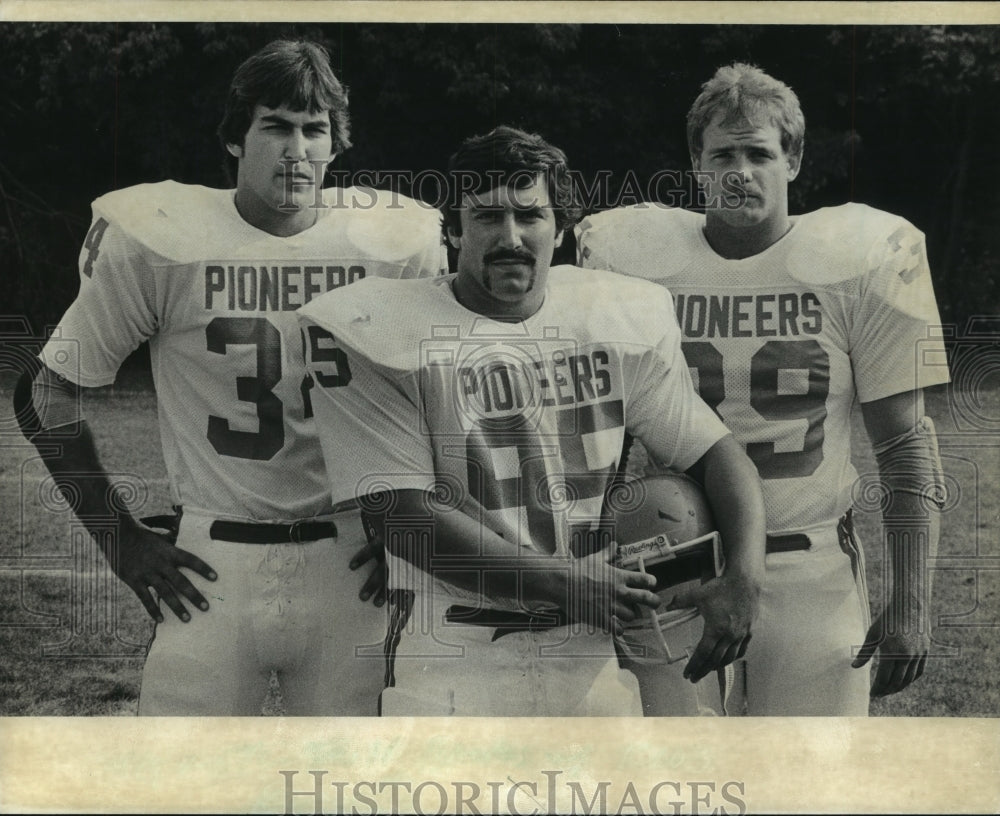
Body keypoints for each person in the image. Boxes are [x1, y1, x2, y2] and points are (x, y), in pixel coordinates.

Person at [14, 39, 445, 715]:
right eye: (275, 125)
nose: (296, 148)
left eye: (314, 129)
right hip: (211, 562)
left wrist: (418, 534)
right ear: (235, 141)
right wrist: (118, 537)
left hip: (349, 563)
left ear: (336, 147)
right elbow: (45, 389)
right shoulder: (164, 240)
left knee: (343, 785)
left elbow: (446, 402)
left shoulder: (390, 245)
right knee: (185, 786)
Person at [298, 125, 766, 716]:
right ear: (453, 230)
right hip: (453, 647)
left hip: (590, 647)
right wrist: (568, 583)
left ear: (561, 228)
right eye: (488, 217)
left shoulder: (613, 320)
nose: (510, 237)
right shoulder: (385, 330)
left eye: (530, 216)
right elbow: (403, 516)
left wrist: (745, 576)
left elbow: (719, 454)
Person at [577, 63, 949, 715]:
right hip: (676, 559)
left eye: (759, 152)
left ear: (795, 159)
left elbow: (906, 443)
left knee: (810, 789)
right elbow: (600, 437)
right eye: (723, 154)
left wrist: (912, 600)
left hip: (809, 568)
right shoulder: (632, 258)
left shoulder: (858, 260)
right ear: (697, 161)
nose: (740, 171)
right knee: (684, 788)